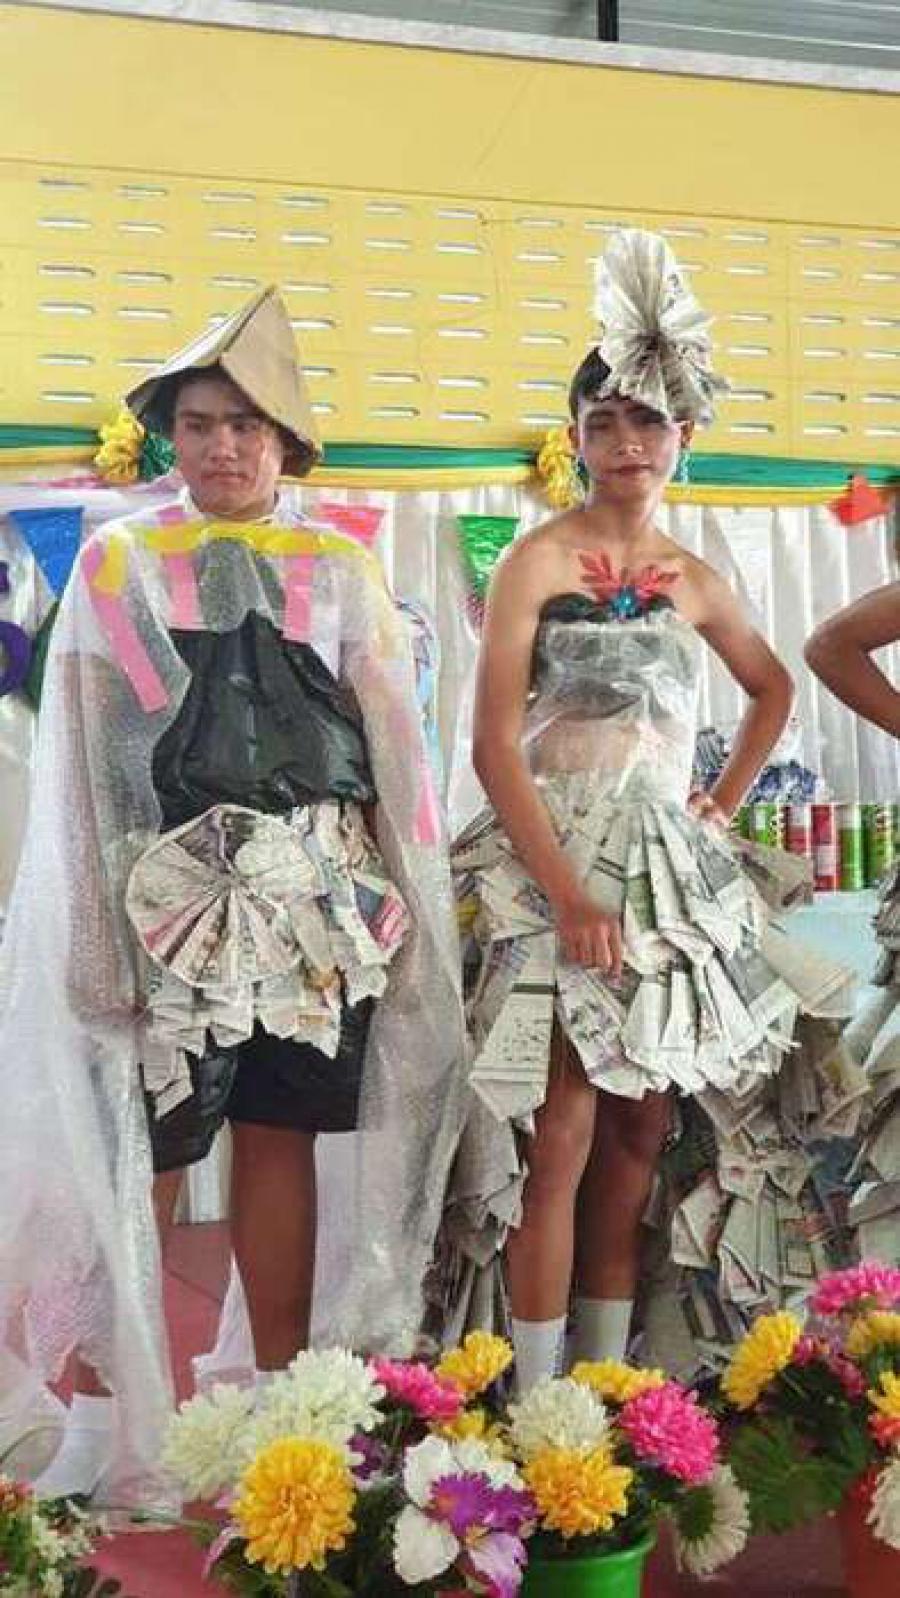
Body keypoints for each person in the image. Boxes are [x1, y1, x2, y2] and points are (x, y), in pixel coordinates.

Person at [0, 286, 465, 1501]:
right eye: (199, 423)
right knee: (140, 1147)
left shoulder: (343, 569)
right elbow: (85, 756)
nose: (221, 445)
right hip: (166, 904)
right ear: (171, 435)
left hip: (314, 909)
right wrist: (92, 926)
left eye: (245, 424)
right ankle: (111, 1416)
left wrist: (413, 908)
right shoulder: (119, 563)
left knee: (281, 1135)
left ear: (286, 440)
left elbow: (397, 752)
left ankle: (280, 1396)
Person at [448, 230, 853, 1391]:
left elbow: (773, 687)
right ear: (575, 438)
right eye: (605, 421)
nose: (628, 442)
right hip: (551, 857)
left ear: (684, 435)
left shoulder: (699, 578)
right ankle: (536, 1400)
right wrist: (567, 893)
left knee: (638, 1129)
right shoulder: (533, 561)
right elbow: (491, 745)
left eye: (650, 421)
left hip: (665, 870)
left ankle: (608, 1383)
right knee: (560, 1132)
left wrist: (717, 804)